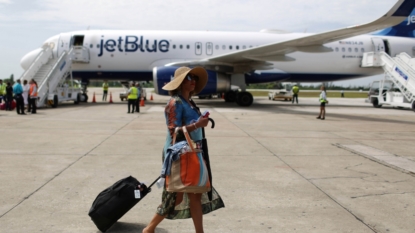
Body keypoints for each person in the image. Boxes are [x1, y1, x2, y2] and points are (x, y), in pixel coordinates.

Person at [143, 66, 225, 233]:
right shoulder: (175, 103)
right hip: (177, 155)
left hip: (193, 153)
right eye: (189, 78)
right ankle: (149, 229)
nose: (193, 81)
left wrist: (200, 122)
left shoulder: (191, 102)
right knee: (174, 197)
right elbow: (173, 131)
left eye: (195, 78)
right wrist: (197, 124)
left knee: (195, 195)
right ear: (180, 83)